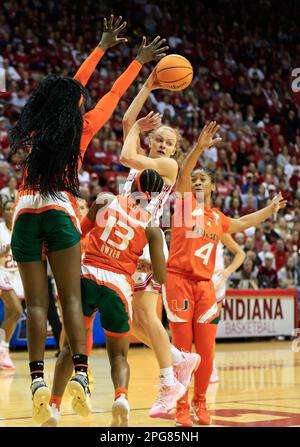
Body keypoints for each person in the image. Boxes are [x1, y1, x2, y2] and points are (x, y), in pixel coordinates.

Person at [9, 15, 167, 424]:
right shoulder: (85, 128)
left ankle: (39, 383)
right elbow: (112, 94)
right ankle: (82, 373)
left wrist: (98, 47)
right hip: (62, 210)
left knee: (37, 306)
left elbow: (70, 88)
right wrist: (135, 62)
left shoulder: (42, 127)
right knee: (72, 301)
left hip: (26, 208)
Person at [164, 121, 287, 427]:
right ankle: (181, 407)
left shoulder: (217, 218)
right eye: (194, 179)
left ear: (214, 187)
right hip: (179, 282)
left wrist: (269, 210)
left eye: (202, 179)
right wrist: (199, 148)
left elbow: (243, 222)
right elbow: (182, 175)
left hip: (205, 287)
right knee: (182, 351)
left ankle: (200, 403)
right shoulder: (182, 205)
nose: (196, 182)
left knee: (205, 352)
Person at [42, 169, 168, 427]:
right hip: (118, 285)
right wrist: (142, 263)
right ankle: (121, 397)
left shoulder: (105, 199)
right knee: (119, 356)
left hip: (87, 277)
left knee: (69, 347)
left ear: (132, 183)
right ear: (155, 197)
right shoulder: (152, 227)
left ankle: (54, 406)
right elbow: (162, 277)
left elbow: (78, 234)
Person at [120, 107, 200, 418]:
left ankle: (169, 381)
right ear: (150, 141)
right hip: (131, 240)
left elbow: (128, 151)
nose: (165, 146)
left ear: (174, 150)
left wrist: (136, 128)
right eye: (160, 140)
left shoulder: (166, 165)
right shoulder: (141, 162)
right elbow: (128, 125)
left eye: (170, 142)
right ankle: (179, 356)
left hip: (146, 245)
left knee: (144, 316)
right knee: (130, 324)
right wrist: (149, 84)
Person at [210, 233, 246, 383]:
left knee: (209, 331)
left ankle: (210, 367)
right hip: (194, 280)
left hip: (215, 282)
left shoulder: (218, 225)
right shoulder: (189, 225)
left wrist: (226, 273)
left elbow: (240, 254)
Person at [0, 200, 23, 370]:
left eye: (13, 208)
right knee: (16, 311)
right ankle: (3, 350)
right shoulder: (0, 230)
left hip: (16, 275)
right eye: (8, 209)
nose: (11, 211)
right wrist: (3, 251)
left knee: (10, 315)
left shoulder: (20, 228)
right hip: (1, 272)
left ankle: (3, 349)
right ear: (3, 212)